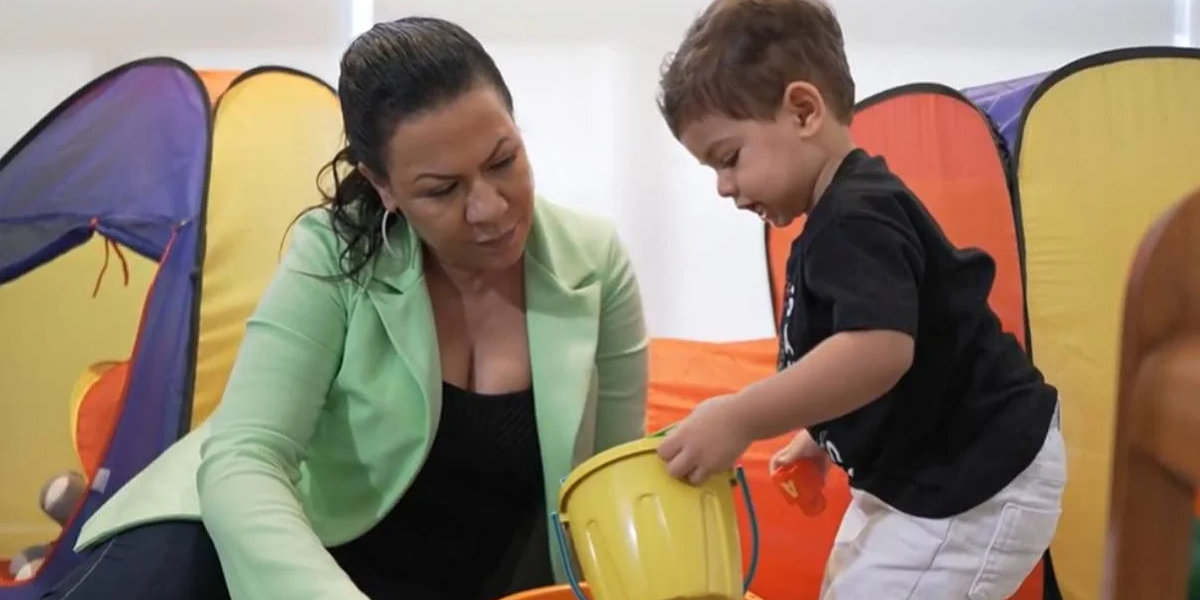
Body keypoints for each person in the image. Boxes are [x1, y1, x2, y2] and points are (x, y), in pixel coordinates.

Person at [41, 16, 648, 600]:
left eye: (503, 161)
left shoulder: (593, 266)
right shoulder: (332, 252)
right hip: (250, 550)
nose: (489, 208)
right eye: (442, 189)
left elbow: (611, 484)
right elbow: (245, 456)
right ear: (383, 186)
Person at [652, 1, 1066, 598]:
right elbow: (869, 351)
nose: (723, 187)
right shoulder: (830, 221)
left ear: (802, 110)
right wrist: (822, 431)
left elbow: (877, 352)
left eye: (729, 158)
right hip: (928, 470)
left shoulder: (856, 215)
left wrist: (742, 416)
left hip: (977, 472)